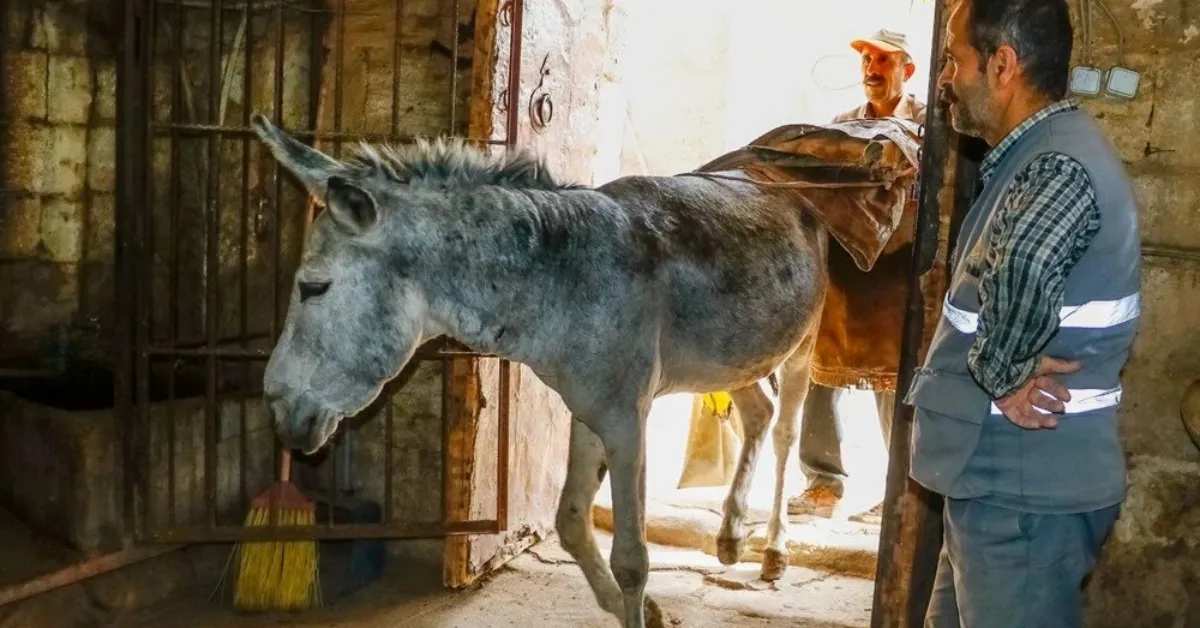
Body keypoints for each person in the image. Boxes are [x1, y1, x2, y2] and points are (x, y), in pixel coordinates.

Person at [908, 0, 1140, 626]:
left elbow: (1026, 266)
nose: (945, 79)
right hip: (997, 483)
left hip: (1025, 494)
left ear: (1002, 65)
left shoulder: (1055, 165)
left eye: (955, 61)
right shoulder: (1033, 154)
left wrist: (1005, 370)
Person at [787, 28, 926, 523]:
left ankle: (899, 495)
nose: (871, 68)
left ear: (906, 71)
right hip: (846, 269)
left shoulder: (930, 128)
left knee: (896, 380)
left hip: (899, 271)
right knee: (823, 372)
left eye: (883, 60)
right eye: (866, 59)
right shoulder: (843, 126)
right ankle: (823, 484)